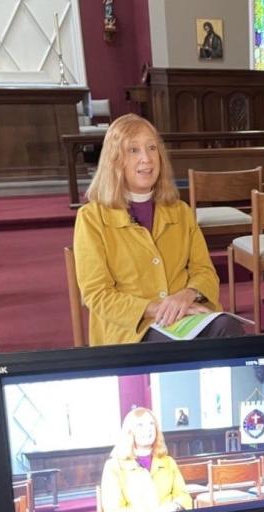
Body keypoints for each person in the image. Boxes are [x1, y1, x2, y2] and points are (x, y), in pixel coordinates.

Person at [73, 113, 245, 345]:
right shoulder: (91, 218)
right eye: (133, 150)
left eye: (152, 148)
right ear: (114, 160)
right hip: (132, 330)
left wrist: (188, 294)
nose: (147, 159)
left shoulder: (180, 211)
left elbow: (205, 271)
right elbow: (97, 294)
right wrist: (156, 309)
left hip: (185, 316)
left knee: (229, 327)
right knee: (170, 348)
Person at [101, 407, 193, 512]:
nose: (148, 429)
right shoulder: (114, 467)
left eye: (151, 424)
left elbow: (184, 497)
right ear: (130, 431)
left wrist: (172, 507)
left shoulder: (168, 462)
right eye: (140, 425)